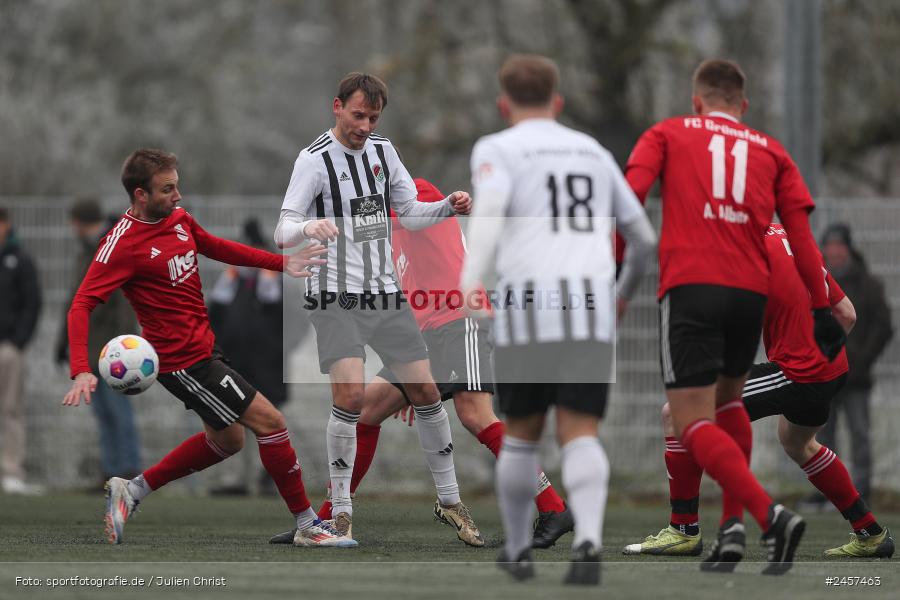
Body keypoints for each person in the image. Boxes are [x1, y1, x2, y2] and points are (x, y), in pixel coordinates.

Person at [61, 148, 351, 548]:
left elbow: (217, 247)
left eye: (177, 186)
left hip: (206, 351)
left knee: (228, 441)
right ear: (140, 195)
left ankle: (134, 491)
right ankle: (307, 525)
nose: (177, 196)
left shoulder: (179, 220)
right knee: (271, 422)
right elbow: (81, 303)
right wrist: (81, 367)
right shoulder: (121, 244)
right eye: (167, 189)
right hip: (183, 364)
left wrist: (281, 263)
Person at [624, 58, 846, 575]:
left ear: (697, 101)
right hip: (748, 296)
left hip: (692, 288)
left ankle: (758, 518)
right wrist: (821, 307)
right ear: (743, 107)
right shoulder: (772, 150)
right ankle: (732, 528)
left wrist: (611, 272)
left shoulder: (668, 132)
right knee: (727, 409)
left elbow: (629, 201)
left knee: (686, 416)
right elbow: (801, 237)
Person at [268, 177, 574, 548]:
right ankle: (328, 520)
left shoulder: (412, 192)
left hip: (462, 319)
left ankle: (553, 507)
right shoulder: (382, 227)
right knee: (367, 411)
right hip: (428, 335)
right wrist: (420, 386)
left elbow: (414, 209)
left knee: (477, 416)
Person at [461, 55, 656, 585]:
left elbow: (488, 220)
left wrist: (469, 286)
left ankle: (520, 550)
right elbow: (643, 240)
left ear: (504, 104)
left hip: (528, 309)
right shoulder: (592, 150)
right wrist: (619, 295)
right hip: (589, 308)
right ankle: (589, 542)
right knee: (581, 432)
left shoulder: (497, 148)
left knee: (522, 435)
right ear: (559, 101)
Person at [275, 73, 481, 545]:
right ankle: (341, 514)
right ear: (337, 107)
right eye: (358, 114)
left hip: (386, 295)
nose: (365, 125)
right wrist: (310, 227)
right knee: (350, 399)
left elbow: (409, 212)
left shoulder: (384, 152)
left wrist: (448, 205)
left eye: (373, 117)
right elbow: (281, 229)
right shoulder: (314, 160)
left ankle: (450, 501)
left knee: (427, 392)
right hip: (336, 296)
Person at [624, 224, 893, 564]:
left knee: (675, 413)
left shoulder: (744, 252)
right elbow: (847, 314)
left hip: (798, 372)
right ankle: (871, 532)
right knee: (798, 443)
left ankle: (683, 529)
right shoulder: (791, 236)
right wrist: (818, 355)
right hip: (833, 368)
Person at [803, 223, 894, 509]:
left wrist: (862, 358)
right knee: (821, 436)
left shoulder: (868, 284)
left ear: (849, 249)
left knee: (860, 434)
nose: (834, 251)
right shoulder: (812, 280)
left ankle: (861, 491)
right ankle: (830, 491)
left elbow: (883, 326)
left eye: (839, 246)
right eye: (829, 246)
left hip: (856, 376)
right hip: (824, 374)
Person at [56, 198, 142, 486]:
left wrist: (123, 347)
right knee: (105, 414)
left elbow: (123, 303)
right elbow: (74, 302)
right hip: (92, 349)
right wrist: (63, 341)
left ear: (81, 222)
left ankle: (128, 469)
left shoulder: (110, 248)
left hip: (112, 351)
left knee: (118, 412)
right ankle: (111, 471)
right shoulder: (87, 251)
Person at [207, 218, 290, 496]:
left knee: (269, 423)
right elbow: (215, 312)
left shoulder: (274, 278)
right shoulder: (233, 279)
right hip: (237, 362)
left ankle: (271, 478)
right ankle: (237, 480)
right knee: (233, 423)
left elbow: (283, 313)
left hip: (267, 364)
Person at [0, 207, 42, 495]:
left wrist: (18, 340)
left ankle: (11, 471)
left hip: (8, 347)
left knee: (10, 410)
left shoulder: (20, 260)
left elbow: (32, 302)